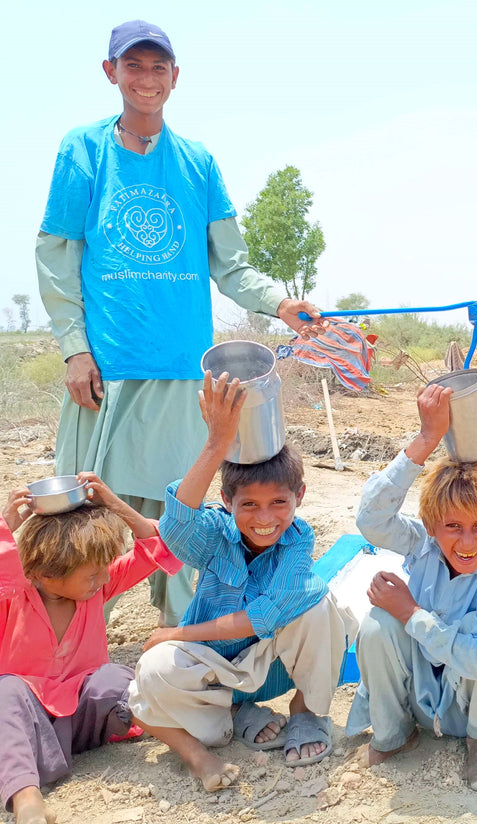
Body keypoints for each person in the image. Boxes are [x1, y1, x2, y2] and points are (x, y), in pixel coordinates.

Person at [35, 19, 325, 628]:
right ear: (111, 72)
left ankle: (185, 646)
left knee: (182, 522)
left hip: (184, 375)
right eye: (132, 66)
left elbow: (233, 265)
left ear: (175, 77)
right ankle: (67, 650)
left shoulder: (197, 163)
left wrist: (280, 302)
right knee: (85, 521)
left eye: (157, 67)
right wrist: (74, 349)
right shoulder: (82, 151)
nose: (146, 78)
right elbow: (57, 254)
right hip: (109, 372)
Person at [127, 373, 355, 791]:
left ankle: (306, 712)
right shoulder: (215, 530)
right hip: (218, 671)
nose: (265, 518)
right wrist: (217, 443)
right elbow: (176, 528)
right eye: (248, 504)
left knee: (321, 607)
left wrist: (177, 632)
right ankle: (234, 715)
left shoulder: (298, 539)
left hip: (271, 665)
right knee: (154, 670)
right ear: (227, 501)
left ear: (299, 496)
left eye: (278, 503)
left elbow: (261, 617)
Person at [345, 382, 477, 791]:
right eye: (453, 527)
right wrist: (428, 439)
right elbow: (371, 520)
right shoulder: (423, 543)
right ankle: (394, 734)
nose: (467, 542)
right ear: (432, 526)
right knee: (377, 623)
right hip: (424, 688)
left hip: (476, 700)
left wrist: (412, 612)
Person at [0, 474, 182, 824]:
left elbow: (156, 548)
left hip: (85, 721)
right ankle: (26, 798)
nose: (104, 578)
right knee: (7, 690)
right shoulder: (13, 596)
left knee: (114, 677)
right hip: (24, 728)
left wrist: (114, 503)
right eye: (93, 574)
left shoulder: (96, 588)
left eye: (104, 570)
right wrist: (6, 525)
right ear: (45, 573)